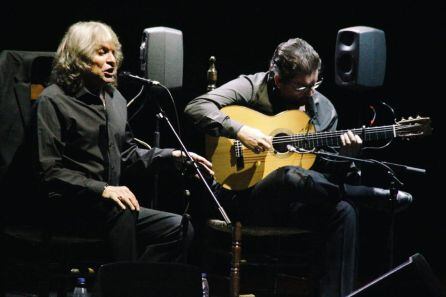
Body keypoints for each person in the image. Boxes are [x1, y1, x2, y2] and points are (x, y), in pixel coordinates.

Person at [185, 38, 412, 297]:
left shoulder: (323, 110)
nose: (311, 92)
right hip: (243, 197)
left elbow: (325, 175)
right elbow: (196, 107)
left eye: (315, 83)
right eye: (302, 86)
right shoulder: (252, 86)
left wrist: (347, 156)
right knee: (289, 175)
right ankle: (364, 195)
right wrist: (241, 130)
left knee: (343, 212)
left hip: (296, 204)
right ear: (277, 79)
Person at [34, 21, 213, 263]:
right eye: (101, 52)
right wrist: (103, 189)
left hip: (110, 209)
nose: (112, 60)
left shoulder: (115, 98)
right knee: (123, 210)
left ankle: (134, 283)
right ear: (78, 58)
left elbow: (126, 154)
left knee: (179, 229)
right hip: (68, 207)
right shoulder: (53, 100)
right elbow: (49, 171)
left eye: (113, 52)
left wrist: (172, 156)